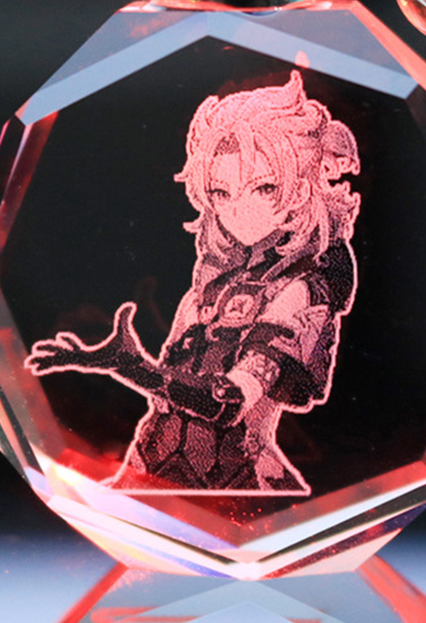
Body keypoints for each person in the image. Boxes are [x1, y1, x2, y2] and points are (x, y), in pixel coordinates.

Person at [25, 71, 361, 494]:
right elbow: (166, 398)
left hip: (239, 488)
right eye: (221, 192)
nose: (237, 209)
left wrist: (132, 367)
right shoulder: (207, 292)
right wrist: (115, 369)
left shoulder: (299, 293)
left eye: (263, 187)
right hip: (149, 474)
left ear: (298, 191)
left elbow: (230, 403)